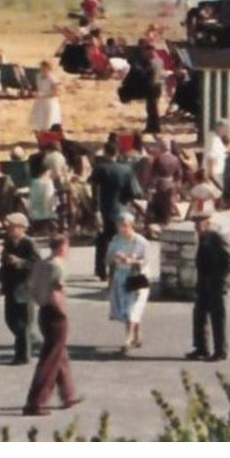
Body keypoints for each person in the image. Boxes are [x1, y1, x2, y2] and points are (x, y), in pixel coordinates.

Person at [23, 237, 79, 417]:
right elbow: (57, 290)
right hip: (55, 313)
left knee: (59, 353)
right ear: (62, 248)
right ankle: (36, 402)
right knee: (50, 359)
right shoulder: (57, 265)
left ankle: (68, 394)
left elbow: (29, 286)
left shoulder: (40, 264)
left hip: (43, 311)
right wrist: (63, 312)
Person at [90, 140, 142, 280]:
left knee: (103, 239)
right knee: (122, 239)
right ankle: (119, 267)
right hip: (122, 208)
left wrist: (95, 210)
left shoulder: (100, 169)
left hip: (105, 208)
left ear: (105, 152)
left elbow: (94, 191)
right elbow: (135, 192)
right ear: (118, 153)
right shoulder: (127, 169)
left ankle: (101, 270)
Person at [187, 210, 230, 362]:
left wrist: (219, 280)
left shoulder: (216, 237)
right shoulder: (203, 238)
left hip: (217, 285)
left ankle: (220, 351)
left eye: (200, 224)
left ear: (208, 223)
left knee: (217, 318)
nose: (197, 227)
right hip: (204, 284)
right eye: (196, 224)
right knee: (199, 315)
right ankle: (201, 348)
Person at [0, 213, 40, 364]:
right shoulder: (8, 242)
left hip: (25, 286)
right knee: (10, 319)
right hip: (10, 285)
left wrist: (20, 262)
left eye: (11, 227)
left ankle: (23, 355)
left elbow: (38, 265)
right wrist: (1, 271)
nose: (8, 230)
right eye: (7, 227)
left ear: (21, 228)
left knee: (24, 321)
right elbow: (3, 261)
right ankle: (27, 342)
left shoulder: (29, 243)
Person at [106, 213, 150, 354]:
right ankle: (137, 335)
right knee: (128, 308)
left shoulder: (141, 242)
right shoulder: (116, 240)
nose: (122, 229)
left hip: (137, 278)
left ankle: (128, 339)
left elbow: (147, 260)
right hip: (122, 277)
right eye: (119, 226)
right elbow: (107, 259)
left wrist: (133, 261)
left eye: (124, 226)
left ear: (131, 225)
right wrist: (114, 257)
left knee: (132, 308)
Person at [30, 60, 64, 136]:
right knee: (38, 119)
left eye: (44, 69)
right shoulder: (38, 76)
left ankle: (48, 136)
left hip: (49, 103)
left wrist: (43, 95)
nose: (42, 71)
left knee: (48, 120)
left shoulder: (52, 79)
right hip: (40, 102)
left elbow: (56, 92)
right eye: (41, 69)